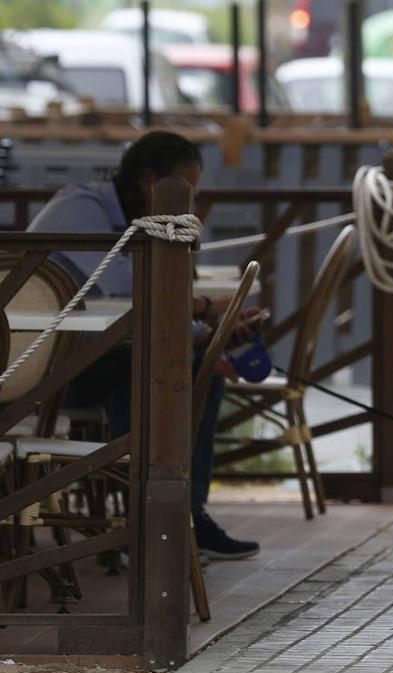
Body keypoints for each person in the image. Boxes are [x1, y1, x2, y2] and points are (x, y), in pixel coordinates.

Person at [28, 130, 262, 560]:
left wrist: (203, 333)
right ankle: (149, 524)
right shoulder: (83, 209)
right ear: (151, 180)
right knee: (160, 368)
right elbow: (122, 294)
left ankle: (179, 516)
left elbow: (131, 311)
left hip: (86, 357)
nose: (189, 207)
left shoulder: (130, 219)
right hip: (38, 372)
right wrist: (203, 310)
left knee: (191, 367)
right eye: (185, 193)